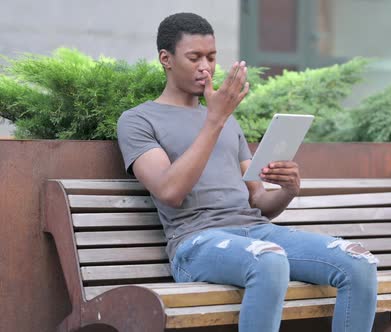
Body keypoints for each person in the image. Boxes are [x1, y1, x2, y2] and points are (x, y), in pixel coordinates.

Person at [117, 12, 377, 332]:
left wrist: (288, 190)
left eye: (212, 57)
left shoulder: (228, 122)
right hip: (195, 243)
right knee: (268, 260)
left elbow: (258, 202)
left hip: (255, 233)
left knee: (358, 263)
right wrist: (214, 120)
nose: (206, 67)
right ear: (165, 59)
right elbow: (170, 191)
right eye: (194, 57)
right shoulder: (139, 120)